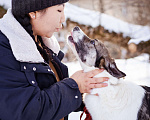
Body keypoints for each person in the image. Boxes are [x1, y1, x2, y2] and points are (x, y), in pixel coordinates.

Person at [0, 0, 108, 120]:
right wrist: (74, 86)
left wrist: (85, 90)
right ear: (33, 12)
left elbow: (51, 96)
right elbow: (25, 112)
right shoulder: (4, 51)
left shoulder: (42, 46)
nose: (63, 18)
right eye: (59, 10)